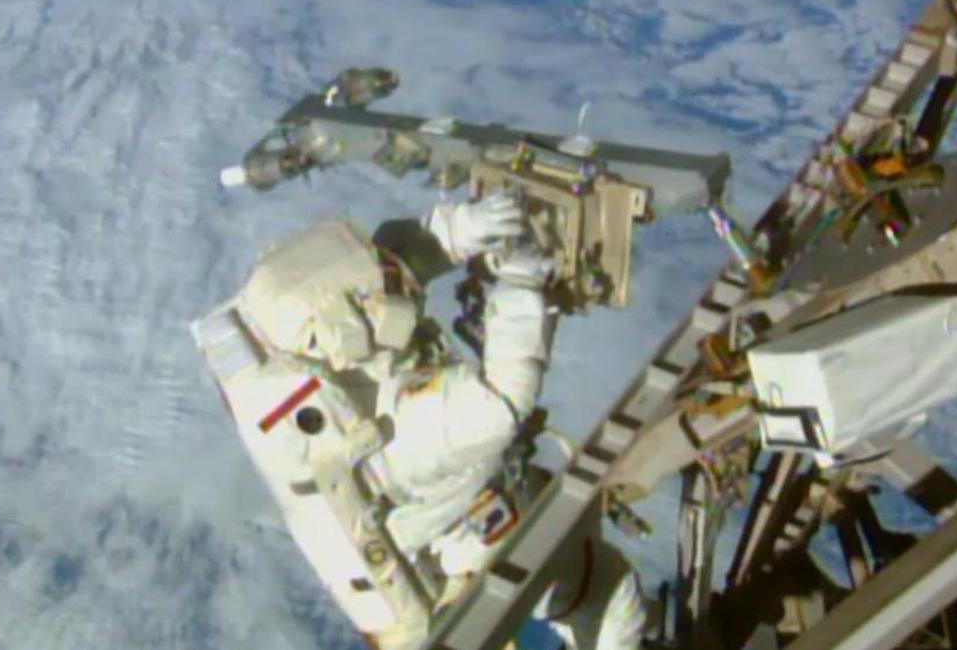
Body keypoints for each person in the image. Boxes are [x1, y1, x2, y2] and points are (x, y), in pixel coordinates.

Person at [207, 190, 644, 650]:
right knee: (611, 597)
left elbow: (383, 269)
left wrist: (456, 232)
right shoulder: (390, 436)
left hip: (434, 526)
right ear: (350, 331)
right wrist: (520, 285)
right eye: (383, 290)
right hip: (449, 564)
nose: (401, 285)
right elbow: (500, 407)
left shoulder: (284, 340)